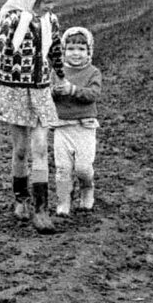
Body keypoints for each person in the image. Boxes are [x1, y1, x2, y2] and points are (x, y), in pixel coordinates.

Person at [0, 0, 66, 234]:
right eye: (45, 1)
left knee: (41, 147)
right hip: (15, 91)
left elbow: (55, 51)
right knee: (20, 150)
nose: (50, 7)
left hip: (41, 91)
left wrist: (61, 77)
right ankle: (21, 198)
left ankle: (41, 210)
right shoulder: (12, 20)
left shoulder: (51, 21)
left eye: (53, 2)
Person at [51, 27, 102, 215]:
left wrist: (72, 90)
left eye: (81, 49)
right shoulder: (57, 72)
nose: (76, 53)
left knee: (82, 168)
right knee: (63, 169)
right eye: (71, 49)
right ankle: (63, 200)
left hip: (84, 127)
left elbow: (93, 94)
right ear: (63, 51)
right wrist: (54, 92)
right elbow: (48, 96)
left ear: (89, 51)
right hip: (62, 127)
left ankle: (87, 189)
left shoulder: (93, 72)